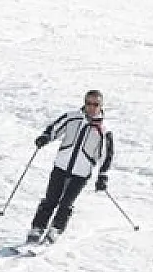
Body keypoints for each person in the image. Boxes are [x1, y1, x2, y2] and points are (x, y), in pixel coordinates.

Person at [25, 90, 115, 245]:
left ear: (101, 106)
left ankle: (55, 230)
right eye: (88, 103)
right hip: (61, 166)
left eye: (95, 104)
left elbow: (106, 156)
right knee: (50, 199)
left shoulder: (104, 131)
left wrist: (102, 176)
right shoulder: (72, 117)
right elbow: (54, 128)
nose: (92, 107)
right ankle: (37, 228)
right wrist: (45, 137)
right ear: (84, 103)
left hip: (81, 172)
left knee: (66, 203)